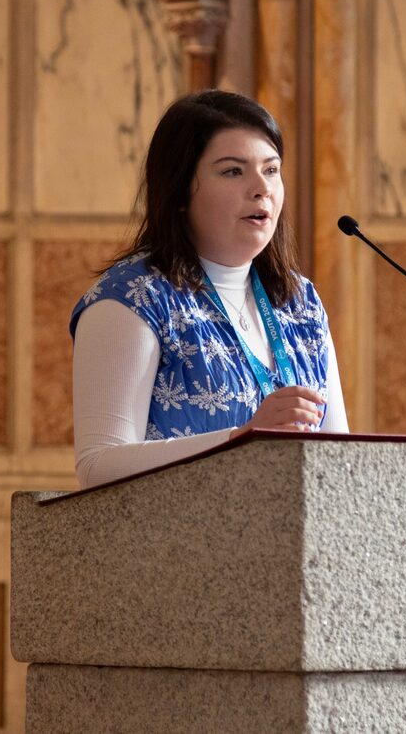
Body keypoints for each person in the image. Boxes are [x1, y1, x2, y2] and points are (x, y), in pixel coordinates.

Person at [69, 90, 349, 487]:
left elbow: (340, 460)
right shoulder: (133, 299)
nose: (261, 188)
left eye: (271, 170)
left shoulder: (299, 303)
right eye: (233, 171)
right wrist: (240, 440)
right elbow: (98, 466)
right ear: (181, 190)